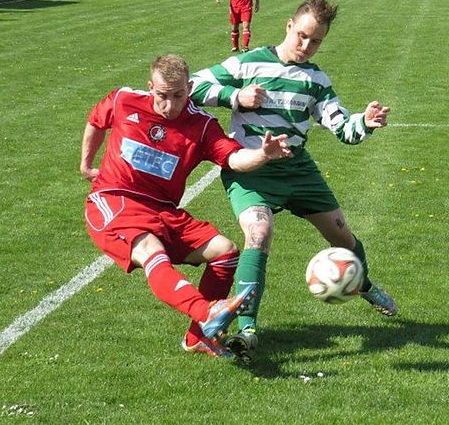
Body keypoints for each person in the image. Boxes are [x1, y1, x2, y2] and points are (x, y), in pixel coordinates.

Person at [190, 0, 398, 363]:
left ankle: (362, 283)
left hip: (298, 169)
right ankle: (248, 328)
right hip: (252, 169)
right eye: (302, 35)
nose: (306, 45)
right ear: (289, 26)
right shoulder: (247, 63)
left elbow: (341, 128)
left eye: (315, 40)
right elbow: (192, 87)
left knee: (342, 236)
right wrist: (235, 96)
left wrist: (364, 122)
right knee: (259, 232)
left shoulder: (316, 80)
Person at [81, 54, 294, 358]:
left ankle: (198, 338)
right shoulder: (124, 100)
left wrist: (263, 154)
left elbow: (233, 158)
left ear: (190, 87)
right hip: (117, 199)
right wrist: (86, 165)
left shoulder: (202, 126)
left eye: (178, 95)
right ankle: (207, 314)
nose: (169, 105)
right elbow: (96, 120)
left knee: (225, 252)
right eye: (161, 96)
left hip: (164, 210)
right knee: (150, 249)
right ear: (150, 87)